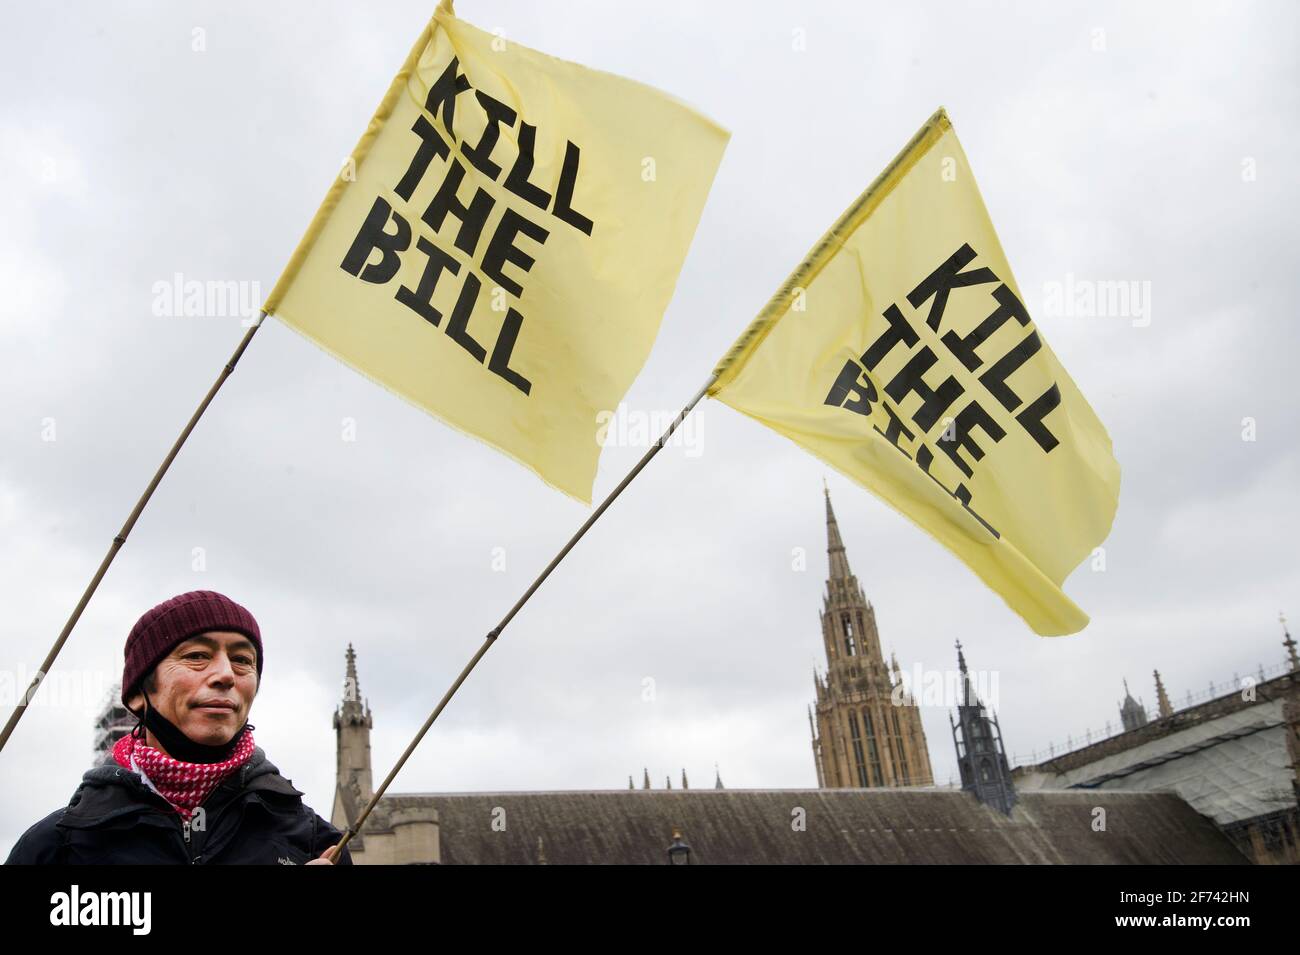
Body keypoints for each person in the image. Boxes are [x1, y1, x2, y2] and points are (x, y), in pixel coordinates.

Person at [5, 590, 351, 865]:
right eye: (197, 656)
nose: (226, 675)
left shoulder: (316, 842)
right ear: (140, 693)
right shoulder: (57, 845)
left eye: (243, 660)